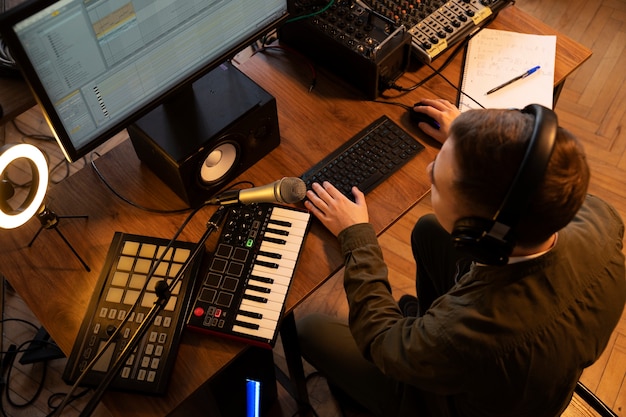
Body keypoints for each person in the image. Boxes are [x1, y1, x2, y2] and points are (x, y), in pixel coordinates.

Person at [297, 98, 626, 417]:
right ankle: (423, 339)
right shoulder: (601, 219)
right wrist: (470, 142)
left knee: (310, 330)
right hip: (525, 372)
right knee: (429, 230)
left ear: (477, 230)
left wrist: (356, 234)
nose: (428, 171)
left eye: (437, 182)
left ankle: (418, 360)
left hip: (458, 403)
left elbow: (384, 344)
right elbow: (532, 175)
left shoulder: (470, 330)